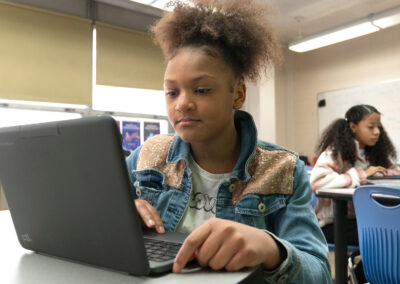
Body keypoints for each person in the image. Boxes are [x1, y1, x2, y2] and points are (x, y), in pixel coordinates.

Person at [126, 0, 331, 282]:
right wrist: (119, 217)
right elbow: (90, 212)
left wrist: (272, 250)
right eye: (172, 92)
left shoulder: (283, 170)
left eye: (201, 89)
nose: (182, 104)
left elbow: (319, 273)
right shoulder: (146, 157)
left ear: (237, 94)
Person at [310, 104, 400, 245]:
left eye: (379, 127)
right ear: (353, 127)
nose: (377, 132)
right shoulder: (335, 152)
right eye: (371, 127)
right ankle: (361, 266)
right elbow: (317, 183)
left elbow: (394, 172)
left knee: (391, 232)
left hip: (364, 218)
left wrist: (378, 175)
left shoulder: (373, 153)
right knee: (386, 239)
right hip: (334, 223)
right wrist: (361, 175)